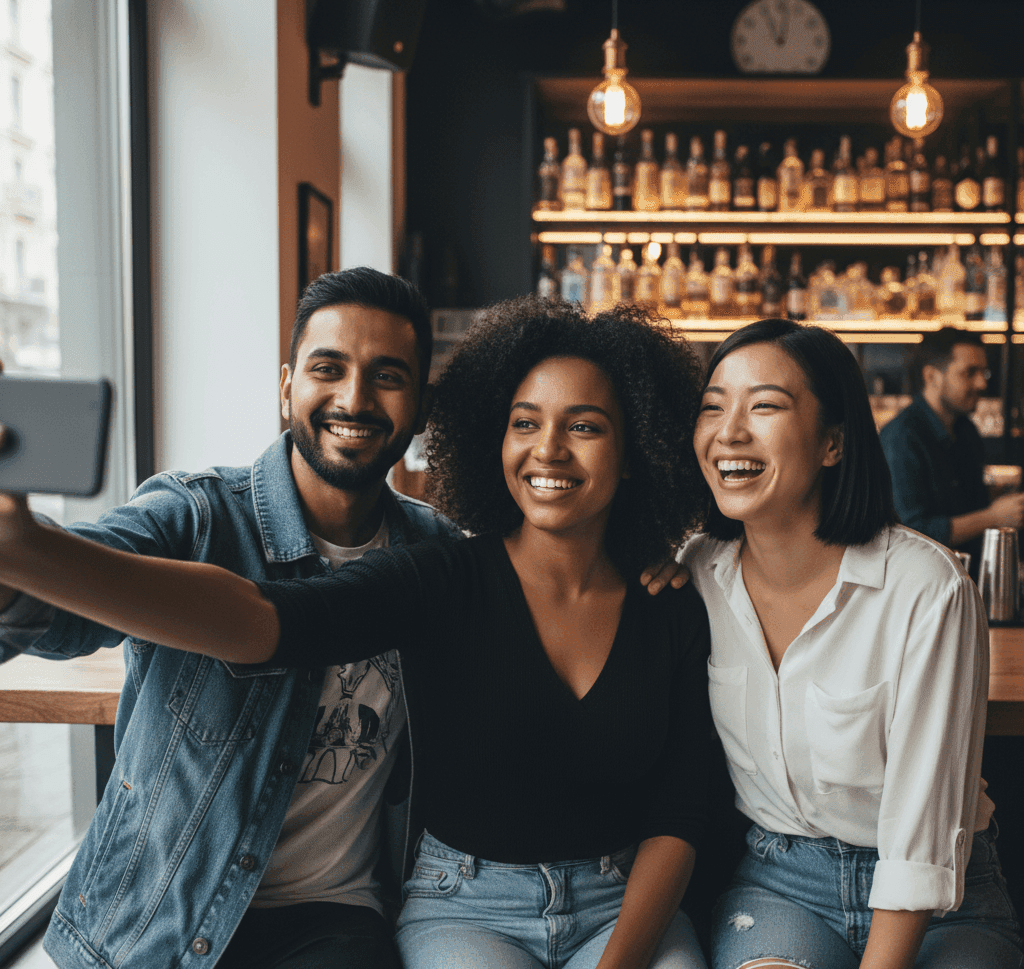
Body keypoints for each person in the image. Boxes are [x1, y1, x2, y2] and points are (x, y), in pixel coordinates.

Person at [0, 298, 713, 969]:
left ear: (639, 447)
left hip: (537, 908)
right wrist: (29, 550)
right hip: (283, 912)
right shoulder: (419, 569)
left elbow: (680, 809)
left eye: (584, 426)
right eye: (525, 423)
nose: (549, 450)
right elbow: (265, 620)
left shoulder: (656, 597)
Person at [0, 268, 462, 969]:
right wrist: (17, 555)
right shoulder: (197, 514)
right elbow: (64, 606)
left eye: (387, 376)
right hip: (157, 918)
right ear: (287, 387)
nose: (354, 398)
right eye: (327, 369)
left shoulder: (436, 555)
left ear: (421, 405)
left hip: (335, 918)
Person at [682, 318, 1021, 969]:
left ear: (834, 443)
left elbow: (920, 840)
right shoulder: (696, 573)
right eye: (713, 407)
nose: (729, 432)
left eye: (766, 406)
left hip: (948, 896)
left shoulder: (927, 588)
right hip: (785, 882)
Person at [879, 326, 1024, 577]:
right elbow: (912, 531)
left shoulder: (965, 429)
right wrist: (993, 516)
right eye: (969, 373)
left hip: (966, 577)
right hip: (923, 585)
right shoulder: (901, 437)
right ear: (932, 376)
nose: (982, 383)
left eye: (983, 372)